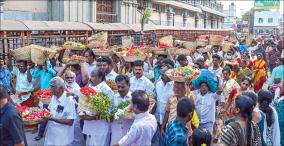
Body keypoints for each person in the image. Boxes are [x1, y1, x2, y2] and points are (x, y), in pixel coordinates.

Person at [80, 69, 113, 146]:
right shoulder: (90, 87)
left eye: (93, 76)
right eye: (90, 76)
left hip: (100, 127)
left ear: (100, 77)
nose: (90, 78)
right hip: (90, 126)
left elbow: (108, 111)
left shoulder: (106, 89)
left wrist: (91, 118)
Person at [43, 77, 76, 146]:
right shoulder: (54, 96)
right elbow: (50, 112)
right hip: (51, 135)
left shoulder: (69, 100)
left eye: (52, 87)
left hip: (63, 138)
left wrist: (51, 119)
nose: (50, 89)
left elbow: (70, 122)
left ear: (60, 88)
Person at [152, 66, 174, 145]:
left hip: (169, 119)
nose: (162, 77)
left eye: (164, 75)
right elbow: (155, 99)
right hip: (158, 117)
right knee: (158, 139)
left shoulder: (174, 86)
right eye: (161, 74)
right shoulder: (158, 84)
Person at [110, 75, 133, 146]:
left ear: (128, 85)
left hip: (129, 132)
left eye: (122, 87)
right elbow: (109, 114)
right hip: (116, 132)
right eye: (118, 87)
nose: (120, 89)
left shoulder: (133, 98)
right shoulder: (113, 97)